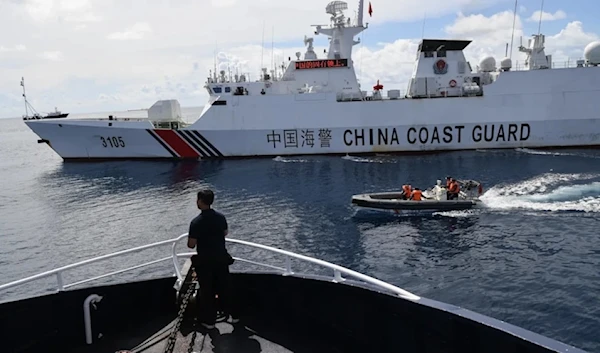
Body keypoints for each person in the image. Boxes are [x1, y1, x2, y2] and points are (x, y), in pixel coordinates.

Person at [187, 189, 238, 329]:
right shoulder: (220, 217)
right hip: (221, 258)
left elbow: (191, 245)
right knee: (226, 287)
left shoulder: (196, 222)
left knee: (207, 291)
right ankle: (234, 316)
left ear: (200, 201)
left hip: (205, 262)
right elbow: (225, 232)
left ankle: (209, 321)